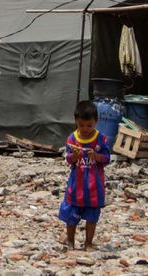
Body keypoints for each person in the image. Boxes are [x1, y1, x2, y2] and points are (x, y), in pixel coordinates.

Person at [58, 100, 111, 251]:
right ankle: (70, 242)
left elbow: (107, 159)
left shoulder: (101, 139)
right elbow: (69, 160)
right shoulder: (72, 138)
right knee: (71, 216)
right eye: (81, 125)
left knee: (92, 217)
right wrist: (74, 156)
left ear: (96, 121)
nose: (85, 129)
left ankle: (88, 242)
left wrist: (97, 156)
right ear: (76, 122)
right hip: (76, 187)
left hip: (94, 186)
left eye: (89, 125)